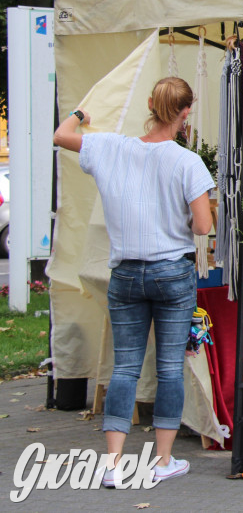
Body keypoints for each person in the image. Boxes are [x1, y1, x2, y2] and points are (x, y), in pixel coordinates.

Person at [53, 77, 214, 488]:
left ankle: (112, 465)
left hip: (125, 272)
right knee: (168, 369)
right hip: (172, 273)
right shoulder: (186, 162)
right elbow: (202, 225)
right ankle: (161, 461)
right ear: (184, 113)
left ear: (149, 104)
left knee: (123, 368)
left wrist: (80, 115)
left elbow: (62, 136)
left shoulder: (110, 147)